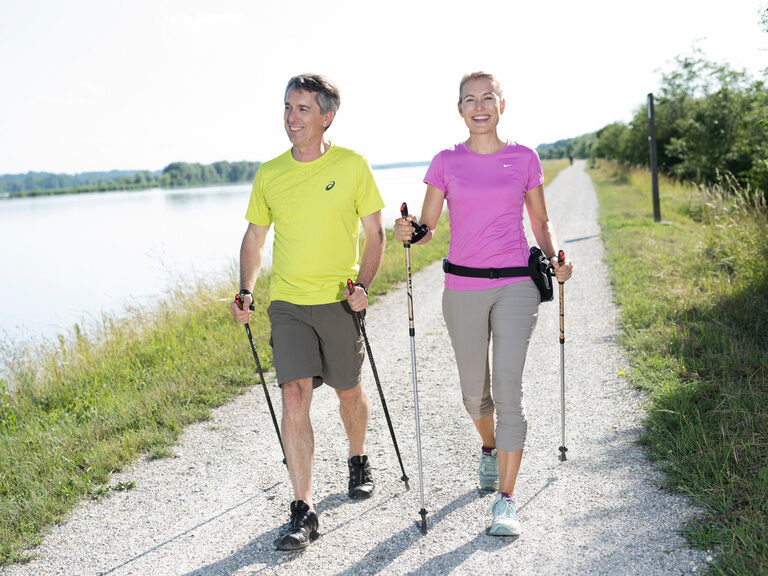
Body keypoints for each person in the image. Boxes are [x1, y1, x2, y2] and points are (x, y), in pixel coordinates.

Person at [394, 71, 573, 536]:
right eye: (469, 99)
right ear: (459, 109)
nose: (479, 106)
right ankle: (489, 448)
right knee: (476, 392)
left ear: (501, 104)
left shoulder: (524, 158)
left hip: (517, 284)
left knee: (509, 394)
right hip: (464, 288)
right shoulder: (445, 163)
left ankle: (506, 501)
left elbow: (540, 220)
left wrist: (555, 258)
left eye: (487, 98)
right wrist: (409, 231)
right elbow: (428, 228)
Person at [230, 73, 385, 551]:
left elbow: (375, 235)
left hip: (338, 298)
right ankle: (303, 508)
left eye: (301, 109)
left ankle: (357, 457)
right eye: (287, 108)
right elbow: (255, 238)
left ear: (326, 117)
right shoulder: (270, 173)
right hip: (290, 304)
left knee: (347, 391)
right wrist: (246, 290)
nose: (291, 118)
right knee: (294, 396)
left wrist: (363, 287)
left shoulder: (353, 165)